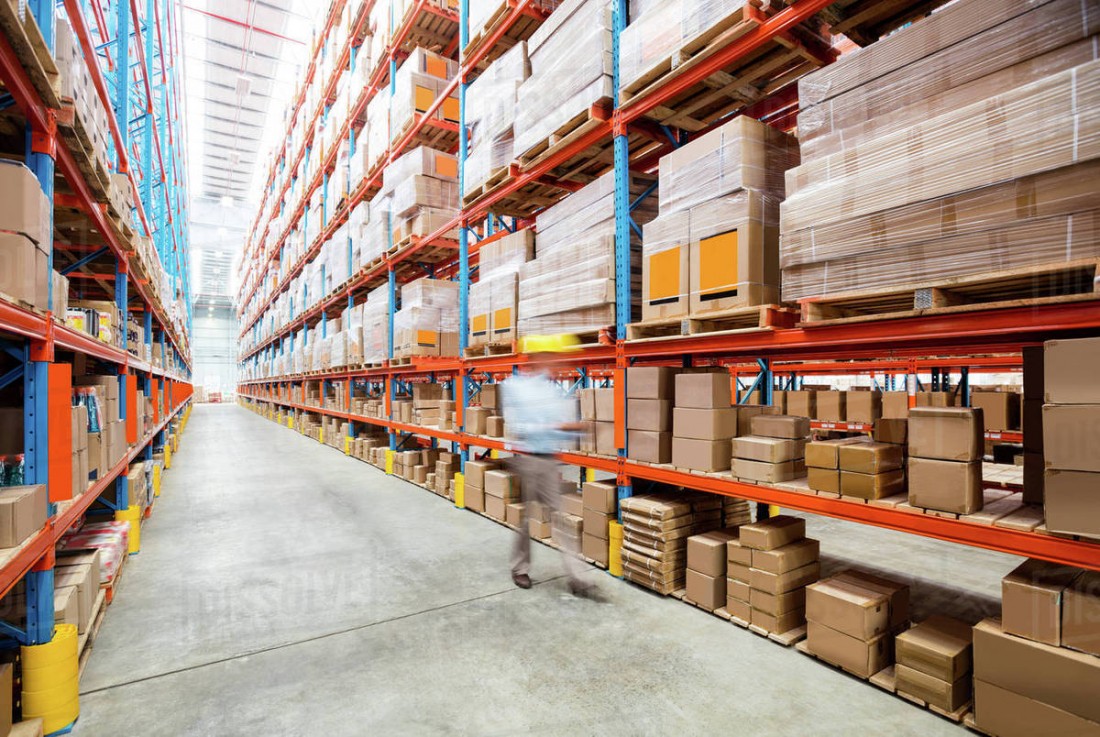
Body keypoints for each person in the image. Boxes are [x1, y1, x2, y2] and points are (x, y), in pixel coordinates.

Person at [501, 334, 594, 597]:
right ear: (538, 358)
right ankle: (519, 568)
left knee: (561, 516)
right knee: (527, 519)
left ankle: (578, 577)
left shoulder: (553, 391)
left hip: (549, 460)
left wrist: (578, 431)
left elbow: (561, 430)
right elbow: (516, 427)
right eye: (553, 357)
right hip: (528, 459)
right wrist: (554, 426)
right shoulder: (513, 386)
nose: (559, 363)